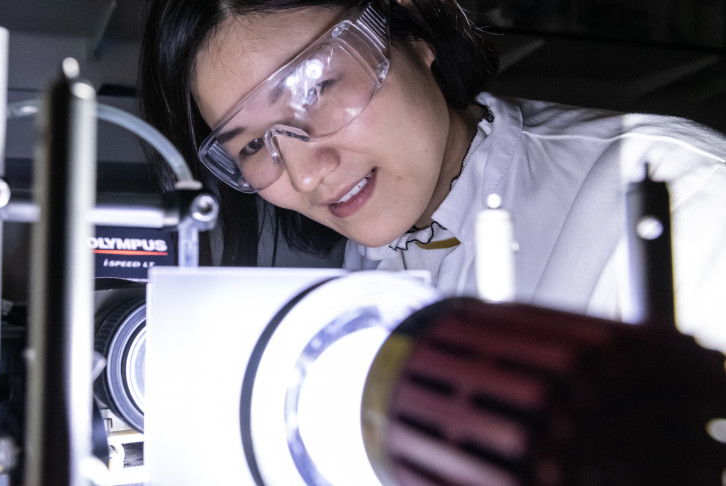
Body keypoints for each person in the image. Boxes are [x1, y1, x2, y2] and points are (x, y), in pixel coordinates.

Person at [136, 0, 726, 353]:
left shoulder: (680, 198)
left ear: (412, 29)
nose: (306, 172)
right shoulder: (368, 257)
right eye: (256, 145)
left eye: (315, 90)